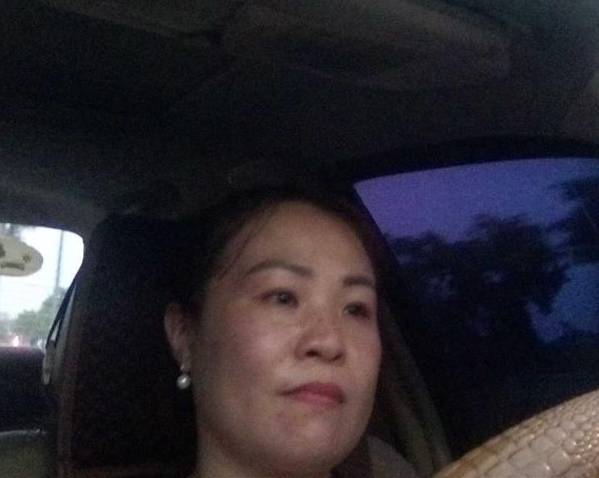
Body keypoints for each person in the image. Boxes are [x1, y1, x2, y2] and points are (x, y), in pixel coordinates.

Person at [163, 186, 417, 478]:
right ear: (183, 335)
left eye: (356, 309)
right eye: (282, 298)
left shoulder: (390, 469)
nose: (329, 342)